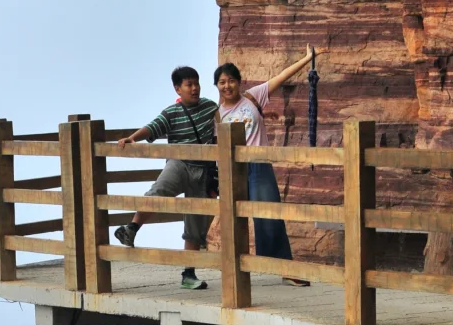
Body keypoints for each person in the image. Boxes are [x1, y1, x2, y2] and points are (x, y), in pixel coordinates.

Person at [214, 50, 315, 285]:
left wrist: (309, 58)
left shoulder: (252, 97)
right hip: (232, 170)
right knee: (232, 221)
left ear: (239, 82)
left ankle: (285, 270)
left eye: (231, 80)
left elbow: (282, 77)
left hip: (258, 165)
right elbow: (216, 147)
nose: (227, 86)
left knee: (269, 217)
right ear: (217, 86)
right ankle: (235, 276)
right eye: (222, 82)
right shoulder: (217, 115)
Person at [114, 66, 218, 290]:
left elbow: (225, 123)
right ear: (177, 88)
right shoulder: (172, 112)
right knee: (158, 192)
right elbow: (153, 127)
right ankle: (131, 229)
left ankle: (188, 274)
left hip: (205, 170)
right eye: (189, 84)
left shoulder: (210, 107)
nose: (194, 88)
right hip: (179, 164)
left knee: (195, 224)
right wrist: (133, 138)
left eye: (196, 83)